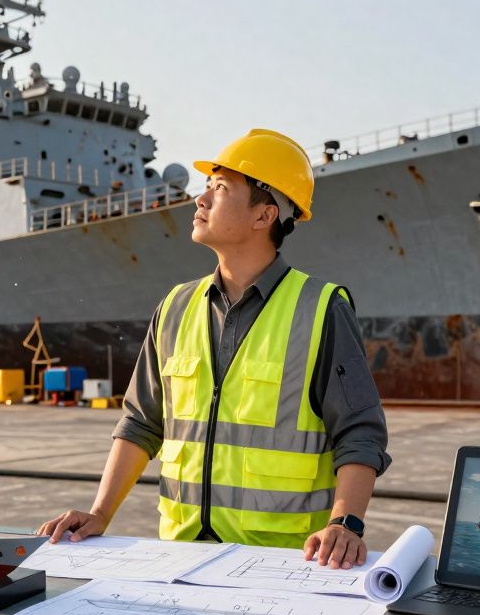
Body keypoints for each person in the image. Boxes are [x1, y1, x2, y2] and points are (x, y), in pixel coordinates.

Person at [36, 128, 391, 570]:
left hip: (285, 565)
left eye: (219, 188)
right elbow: (141, 422)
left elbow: (359, 432)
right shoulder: (175, 306)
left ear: (264, 216)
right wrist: (100, 513)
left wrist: (346, 524)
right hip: (177, 559)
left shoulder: (321, 309)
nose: (200, 200)